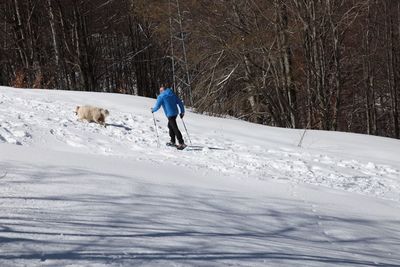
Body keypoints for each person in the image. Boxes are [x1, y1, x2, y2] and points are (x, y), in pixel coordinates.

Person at [151, 85, 186, 149]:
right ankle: (173, 141)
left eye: (160, 90)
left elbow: (157, 106)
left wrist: (153, 110)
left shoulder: (161, 96)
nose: (160, 92)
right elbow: (180, 103)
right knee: (170, 126)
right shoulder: (172, 94)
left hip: (170, 114)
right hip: (175, 113)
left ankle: (181, 143)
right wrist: (182, 112)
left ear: (162, 90)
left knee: (175, 128)